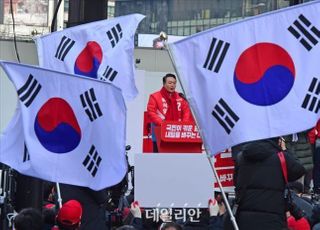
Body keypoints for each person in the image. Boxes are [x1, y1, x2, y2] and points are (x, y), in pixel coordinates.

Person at [224, 137, 306, 230]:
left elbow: (236, 183)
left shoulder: (242, 156)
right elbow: (299, 170)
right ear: (277, 140)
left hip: (245, 219)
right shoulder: (281, 157)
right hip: (273, 219)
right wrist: (285, 150)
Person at [147, 73, 192, 152]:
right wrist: (165, 125)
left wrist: (183, 126)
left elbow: (186, 113)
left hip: (177, 133)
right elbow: (151, 112)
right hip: (160, 132)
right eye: (170, 83)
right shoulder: (155, 96)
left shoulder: (180, 97)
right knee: (159, 159)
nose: (172, 85)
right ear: (164, 84)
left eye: (174, 83)